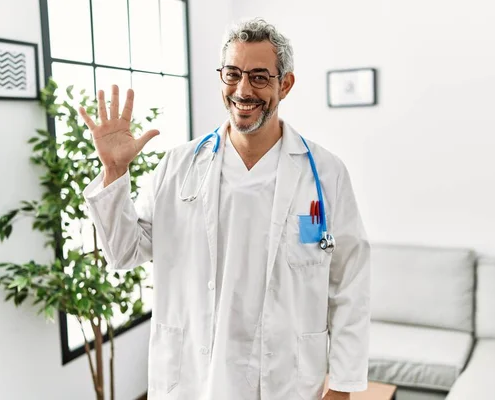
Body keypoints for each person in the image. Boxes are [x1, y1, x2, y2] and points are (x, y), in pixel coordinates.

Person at [80, 18, 370, 400]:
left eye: (259, 77)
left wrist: (343, 386)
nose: (243, 90)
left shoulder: (325, 172)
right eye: (232, 74)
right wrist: (114, 171)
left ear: (285, 84)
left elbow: (349, 282)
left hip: (288, 379)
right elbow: (124, 252)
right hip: (196, 378)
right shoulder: (178, 165)